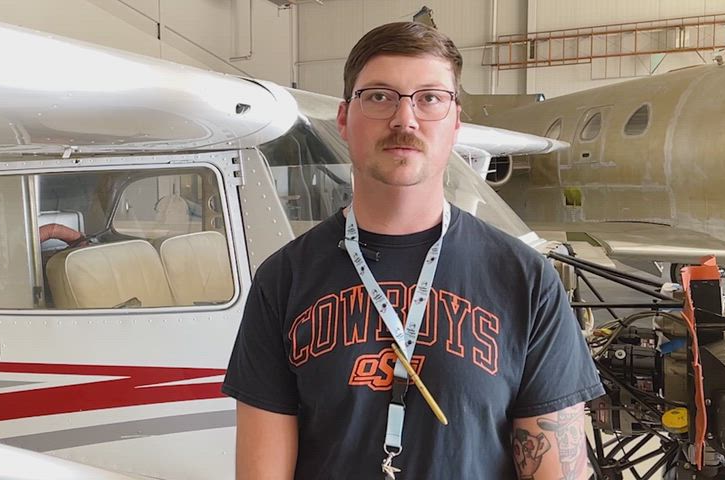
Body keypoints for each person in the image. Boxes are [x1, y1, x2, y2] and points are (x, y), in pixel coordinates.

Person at [222, 21, 604, 480]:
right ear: (344, 118)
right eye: (380, 96)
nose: (405, 119)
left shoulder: (525, 278)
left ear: (456, 121)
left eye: (430, 98)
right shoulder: (283, 280)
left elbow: (555, 466)